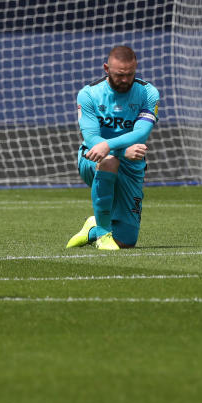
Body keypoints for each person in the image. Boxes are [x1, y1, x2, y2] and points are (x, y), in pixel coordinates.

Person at [66, 45, 158, 250]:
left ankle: (93, 226)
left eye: (130, 74)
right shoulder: (88, 94)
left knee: (126, 241)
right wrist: (119, 150)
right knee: (109, 161)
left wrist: (110, 146)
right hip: (93, 158)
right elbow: (90, 137)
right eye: (119, 75)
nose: (125, 80)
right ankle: (103, 234)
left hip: (132, 164)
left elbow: (141, 134)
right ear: (106, 69)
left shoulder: (148, 93)